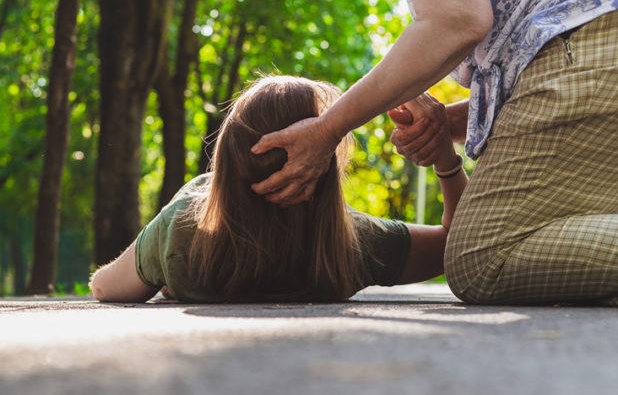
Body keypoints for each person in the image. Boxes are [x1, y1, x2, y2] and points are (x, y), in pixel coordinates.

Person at [249, 0, 618, 304]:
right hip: (595, 36)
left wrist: (328, 128)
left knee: (483, 258)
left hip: (587, 41)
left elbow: (456, 20)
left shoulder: (192, 237)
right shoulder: (359, 242)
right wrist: (447, 128)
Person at [89, 76, 466, 303]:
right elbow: (457, 245)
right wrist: (446, 161)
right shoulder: (353, 244)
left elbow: (104, 288)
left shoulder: (183, 231)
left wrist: (184, 212)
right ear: (324, 169)